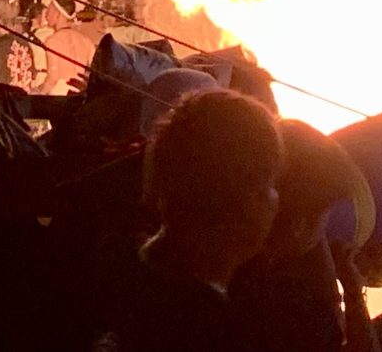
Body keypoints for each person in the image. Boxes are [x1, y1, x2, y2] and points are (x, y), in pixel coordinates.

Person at [99, 90, 288, 351]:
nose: (277, 199)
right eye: (270, 183)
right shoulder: (215, 332)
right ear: (244, 205)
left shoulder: (120, 266)